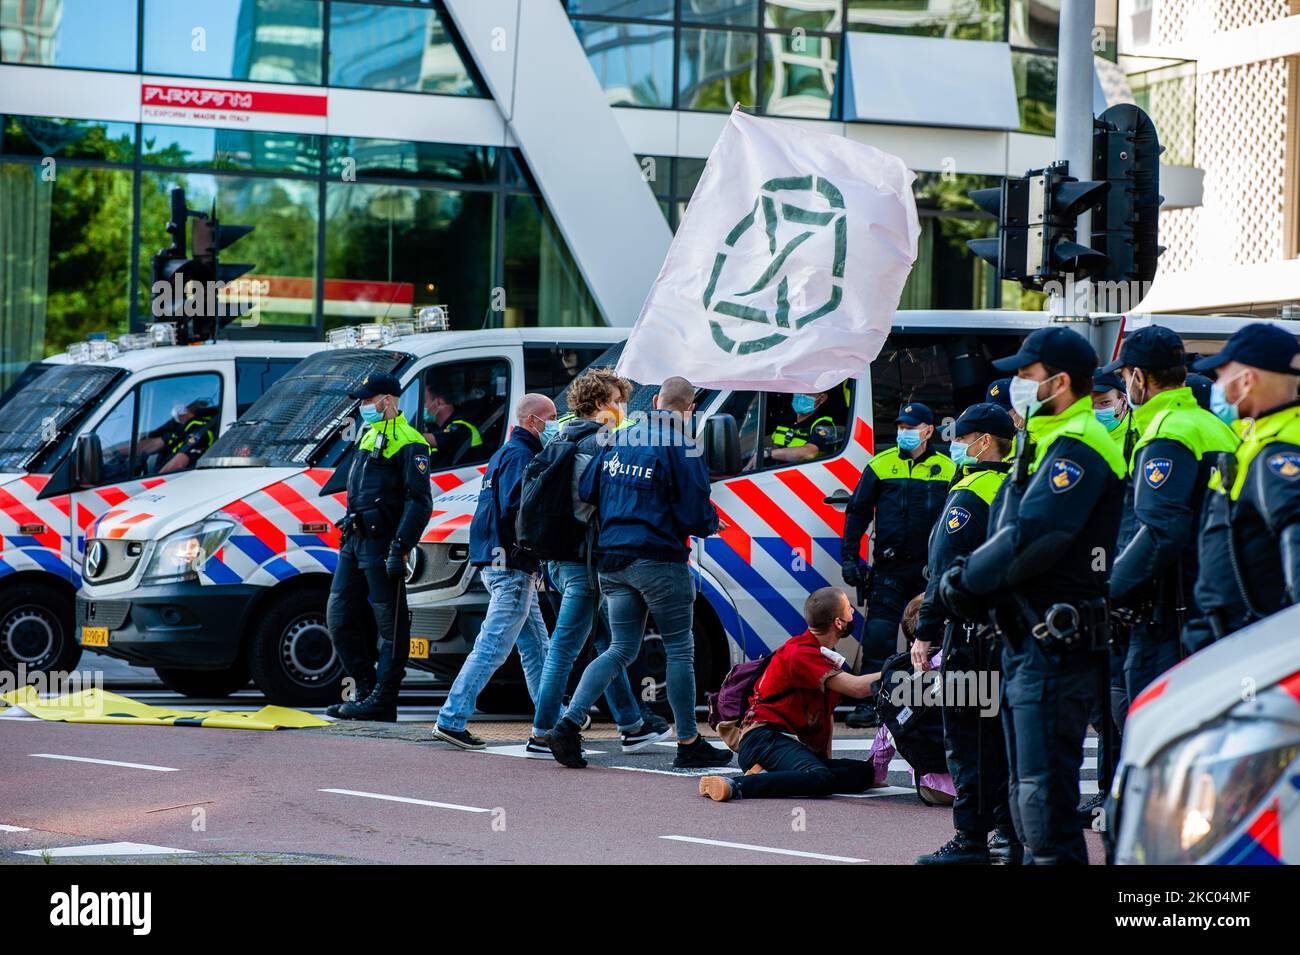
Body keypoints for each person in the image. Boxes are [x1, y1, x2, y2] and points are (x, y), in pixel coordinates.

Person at [938, 326, 1126, 865]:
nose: (1017, 383)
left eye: (1026, 374)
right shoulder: (1043, 440)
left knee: (1044, 804)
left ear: (1059, 381)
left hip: (1057, 641)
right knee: (1025, 802)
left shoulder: (1079, 445)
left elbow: (1033, 537)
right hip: (1026, 637)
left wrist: (962, 582)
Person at [546, 376, 731, 770]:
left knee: (620, 649)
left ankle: (567, 723)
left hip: (612, 560)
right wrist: (712, 523)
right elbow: (695, 513)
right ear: (690, 407)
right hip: (659, 560)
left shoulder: (620, 436)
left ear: (657, 401)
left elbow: (590, 489)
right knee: (680, 648)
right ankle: (688, 742)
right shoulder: (685, 443)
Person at [527, 367, 671, 756]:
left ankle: (632, 725)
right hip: (584, 558)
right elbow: (600, 502)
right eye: (618, 401)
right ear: (602, 405)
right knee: (566, 648)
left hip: (558, 557)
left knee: (609, 644)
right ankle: (542, 732)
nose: (623, 408)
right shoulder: (601, 443)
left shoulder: (560, 437)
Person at [912, 402, 1022, 865]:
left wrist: (925, 631)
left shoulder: (971, 492)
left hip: (971, 637)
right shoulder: (1020, 484)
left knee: (967, 739)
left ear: (982, 442)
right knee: (1004, 739)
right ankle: (1008, 834)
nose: (953, 444)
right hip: (1010, 633)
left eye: (960, 437)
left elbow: (943, 571)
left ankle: (971, 840)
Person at [1103, 326, 1237, 699]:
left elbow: (1160, 529)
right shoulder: (1213, 426)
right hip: (1209, 605)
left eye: (1126, 377)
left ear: (1140, 377)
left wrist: (1112, 590)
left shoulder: (1167, 432)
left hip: (1167, 617)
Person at [432, 393, 557, 749]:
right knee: (493, 647)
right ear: (532, 421)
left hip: (500, 561)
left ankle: (552, 719)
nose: (556, 422)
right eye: (550, 416)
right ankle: (451, 719)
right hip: (513, 566)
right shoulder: (522, 456)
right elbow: (521, 510)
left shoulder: (504, 453)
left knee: (537, 647)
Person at [697, 587, 880, 801]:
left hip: (783, 741)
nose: (852, 612)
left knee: (864, 774)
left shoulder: (824, 655)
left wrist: (822, 759)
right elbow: (857, 688)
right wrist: (895, 673)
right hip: (763, 739)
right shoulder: (801, 653)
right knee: (820, 777)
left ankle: (776, 775)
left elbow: (825, 716)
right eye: (849, 609)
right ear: (839, 623)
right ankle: (736, 785)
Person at [325, 373, 433, 721]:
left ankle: (384, 699)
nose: (363, 406)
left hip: (384, 543)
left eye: (369, 400)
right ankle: (367, 690)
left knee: (391, 625)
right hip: (354, 540)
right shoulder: (368, 435)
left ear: (387, 400)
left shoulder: (411, 441)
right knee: (339, 617)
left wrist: (400, 547)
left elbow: (419, 502)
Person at [840, 402, 955, 727]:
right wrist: (849, 558)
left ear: (929, 430)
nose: (904, 433)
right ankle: (874, 704)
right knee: (878, 638)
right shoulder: (880, 465)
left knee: (929, 638)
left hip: (929, 571)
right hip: (889, 569)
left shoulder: (947, 469)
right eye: (901, 427)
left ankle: (930, 705)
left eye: (912, 427)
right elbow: (857, 513)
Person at [1187, 323, 1300, 649]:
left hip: (1249, 643)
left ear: (1247, 380)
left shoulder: (1278, 452)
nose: (1218, 387)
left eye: (1223, 376)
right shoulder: (1261, 437)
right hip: (1238, 638)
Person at [118, 399, 217, 474]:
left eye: (179, 414)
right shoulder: (182, 429)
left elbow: (179, 464)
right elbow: (152, 444)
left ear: (188, 412)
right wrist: (116, 452)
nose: (176, 419)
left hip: (174, 483)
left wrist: (153, 483)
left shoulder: (201, 429)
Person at [768, 389, 836, 463]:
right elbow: (770, 441)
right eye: (798, 390)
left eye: (807, 393)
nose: (801, 396)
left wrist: (769, 453)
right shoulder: (786, 420)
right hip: (775, 471)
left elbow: (810, 452)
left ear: (822, 398)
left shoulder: (823, 424)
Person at [422, 385, 481, 464]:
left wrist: (406, 432)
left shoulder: (462, 426)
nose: (422, 407)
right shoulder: (435, 427)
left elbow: (436, 439)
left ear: (439, 402)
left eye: (424, 402)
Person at [1093, 369, 1136, 455]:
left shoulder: (1137, 440)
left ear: (1124, 402)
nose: (1095, 411)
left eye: (1105, 402)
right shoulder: (1076, 440)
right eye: (1088, 404)